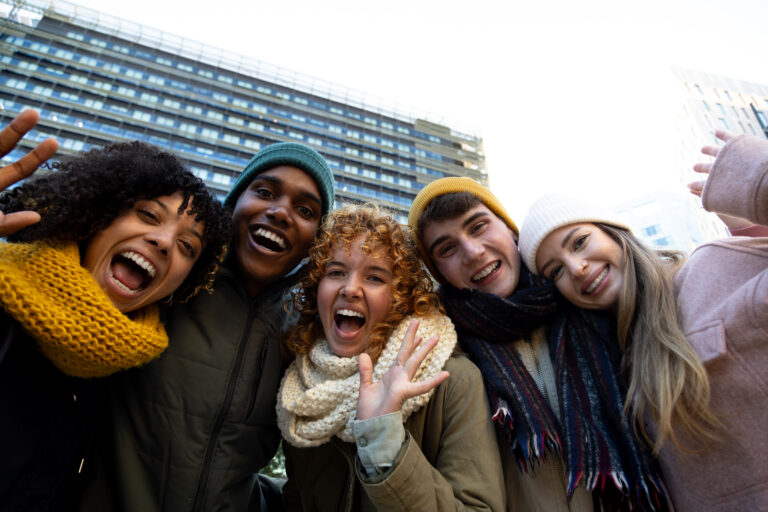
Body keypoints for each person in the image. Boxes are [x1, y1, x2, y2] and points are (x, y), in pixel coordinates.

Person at [518, 130, 768, 511]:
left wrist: (760, 181)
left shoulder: (712, 267)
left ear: (616, 235)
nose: (577, 267)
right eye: (555, 270)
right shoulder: (611, 361)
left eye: (580, 241)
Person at [81, 141, 336, 511]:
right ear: (232, 205)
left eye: (305, 210)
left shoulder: (306, 335)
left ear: (315, 243)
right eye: (264, 192)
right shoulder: (166, 283)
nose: (281, 212)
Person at [0, 109, 230, 511]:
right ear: (100, 212)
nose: (162, 242)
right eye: (149, 215)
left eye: (187, 247)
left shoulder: (120, 372)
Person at [408, 178, 666, 511]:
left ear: (510, 229)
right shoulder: (441, 357)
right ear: (440, 274)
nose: (473, 252)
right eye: (447, 249)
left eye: (478, 227)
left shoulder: (591, 301)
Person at [277, 205, 505, 511]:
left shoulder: (453, 380)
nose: (350, 289)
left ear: (400, 298)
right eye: (335, 272)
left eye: (374, 277)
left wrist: (384, 442)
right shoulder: (302, 392)